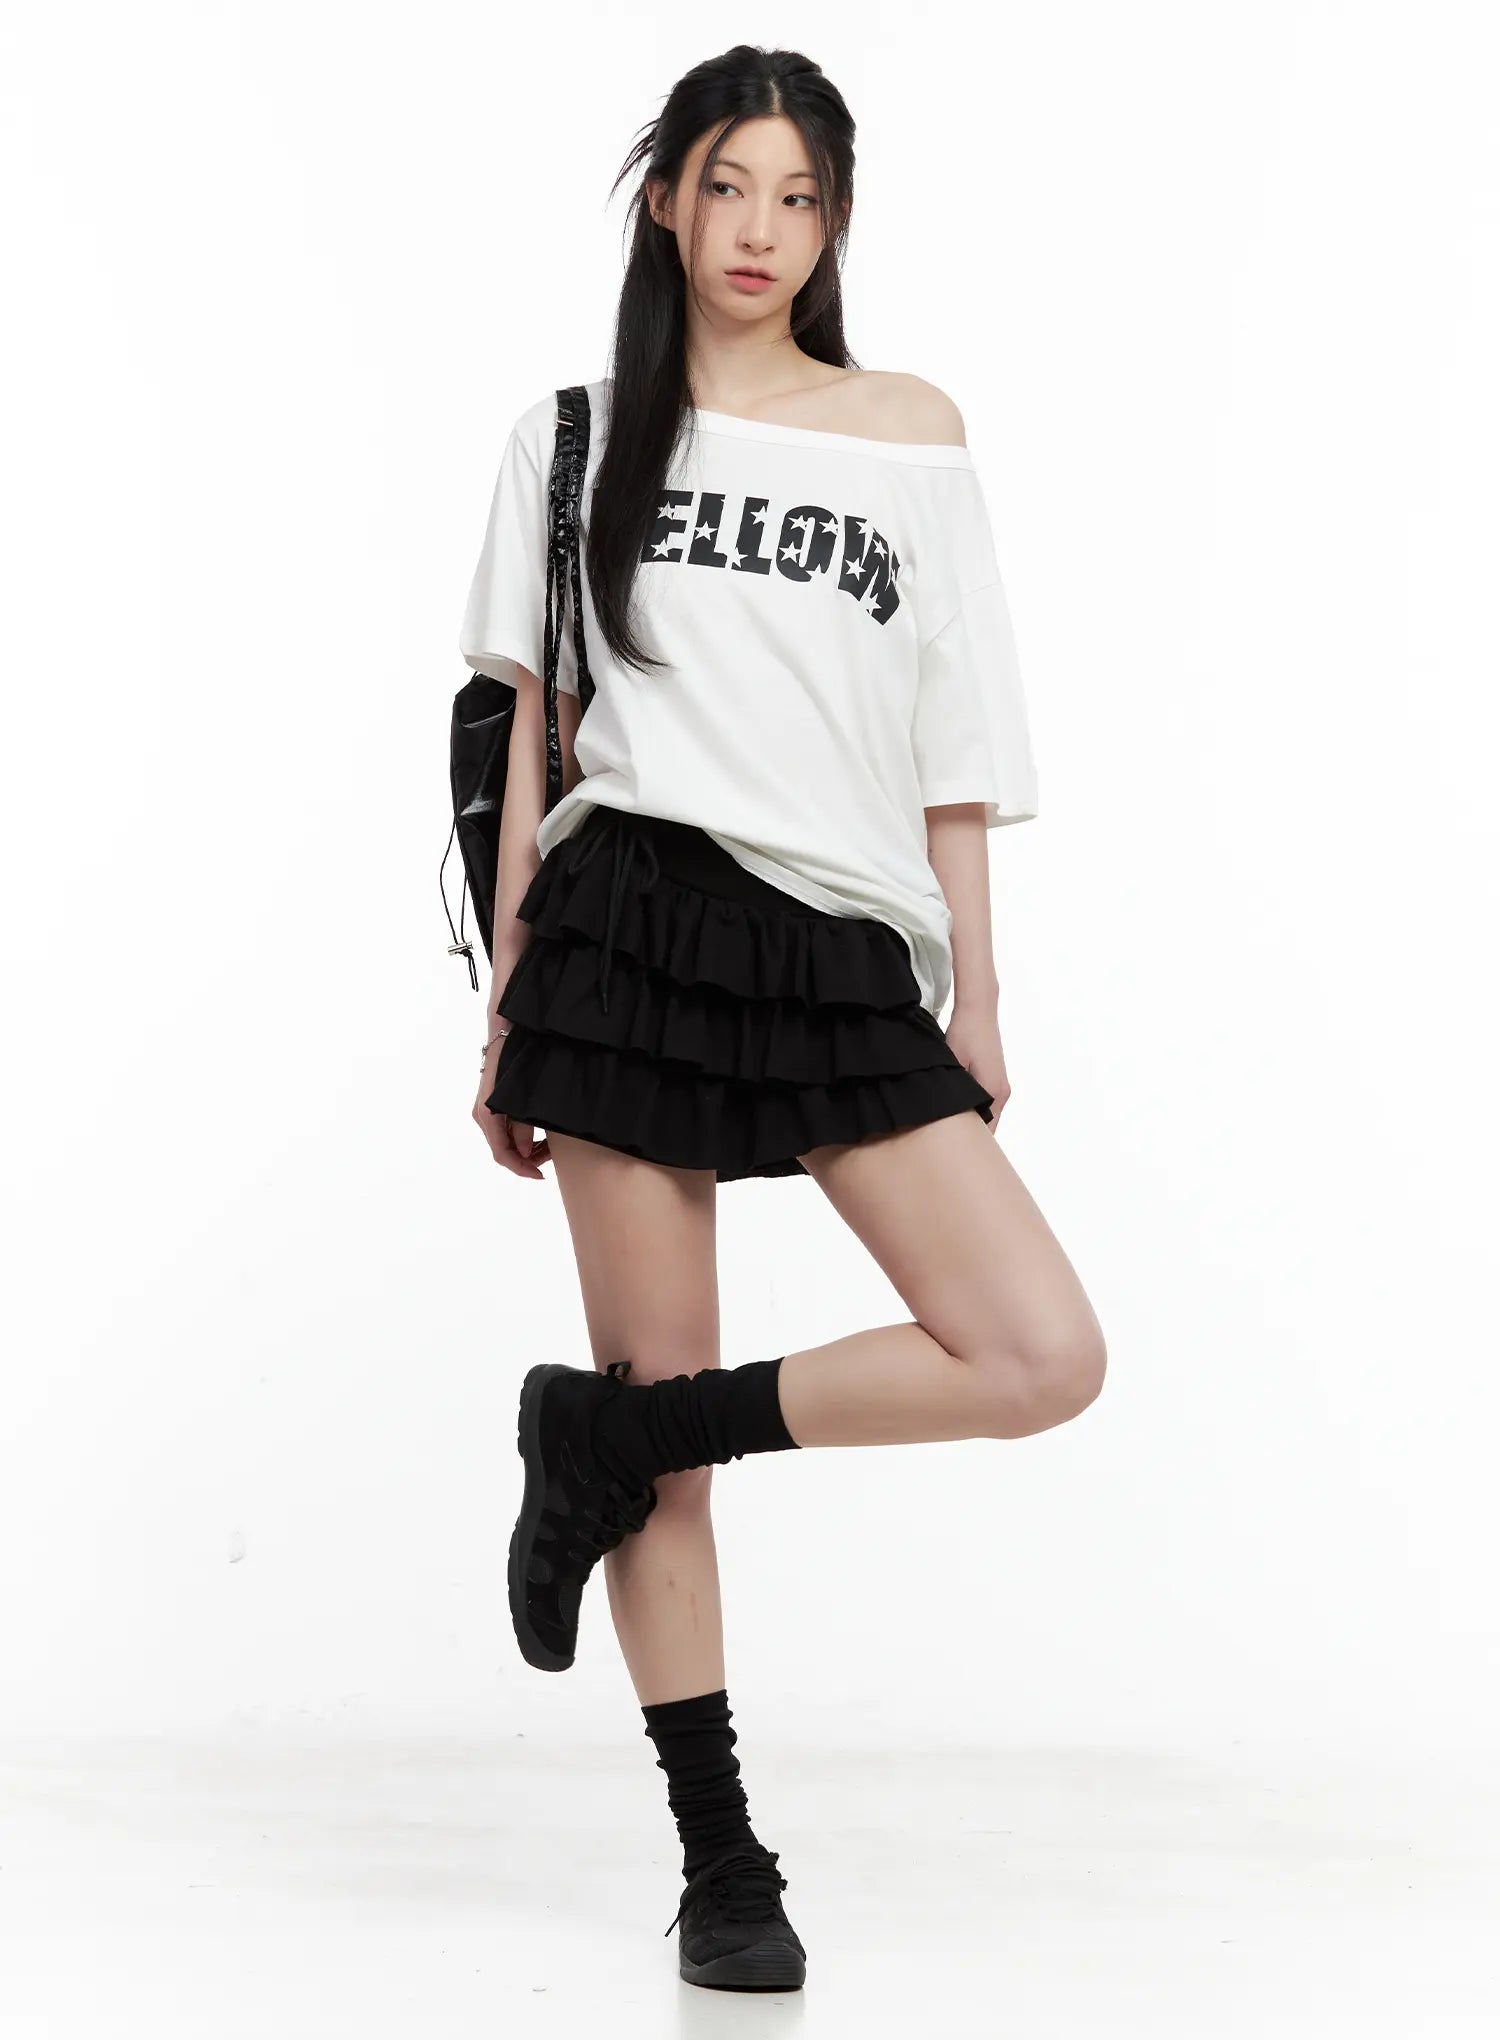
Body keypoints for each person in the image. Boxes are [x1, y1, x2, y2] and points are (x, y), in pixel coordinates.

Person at [457, 43, 1107, 1995]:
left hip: (836, 947)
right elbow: (528, 736)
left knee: (1038, 1350)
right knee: (669, 1439)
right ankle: (722, 1863)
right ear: (666, 197)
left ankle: (602, 1435)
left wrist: (974, 987)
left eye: (799, 197)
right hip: (624, 926)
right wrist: (503, 999)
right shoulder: (574, 438)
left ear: (835, 223)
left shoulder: (907, 432)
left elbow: (954, 738)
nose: (760, 231)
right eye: (726, 186)